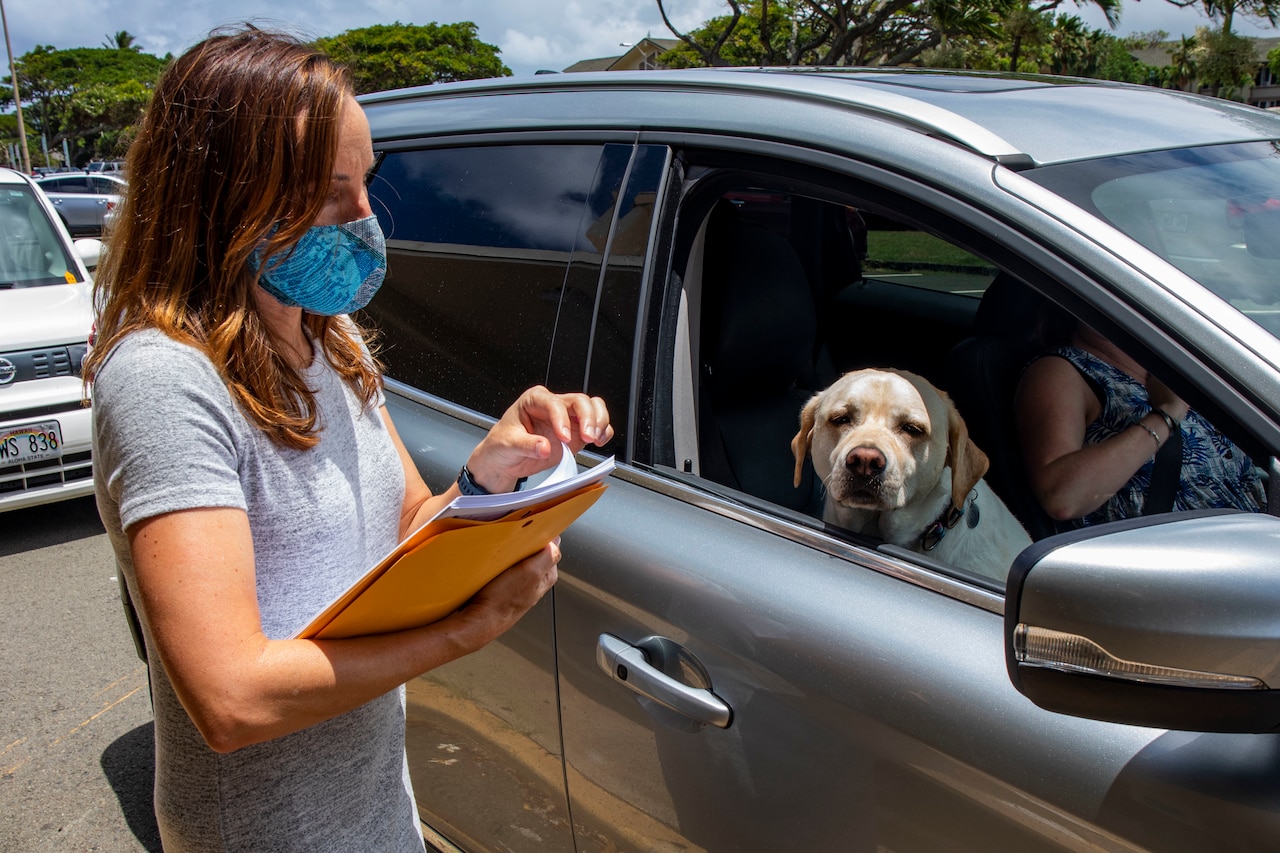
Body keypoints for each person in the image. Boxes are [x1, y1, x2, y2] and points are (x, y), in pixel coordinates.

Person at [83, 28, 612, 853]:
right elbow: (231, 699)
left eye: (366, 181)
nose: (364, 216)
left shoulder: (332, 339)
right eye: (330, 190)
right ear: (222, 197)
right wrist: (461, 634)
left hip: (377, 814)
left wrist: (490, 474)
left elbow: (405, 535)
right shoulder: (162, 379)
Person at [1014, 306, 1264, 531]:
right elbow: (1062, 498)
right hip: (1164, 567)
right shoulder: (1062, 371)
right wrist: (1166, 414)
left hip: (1249, 547)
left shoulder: (1181, 365)